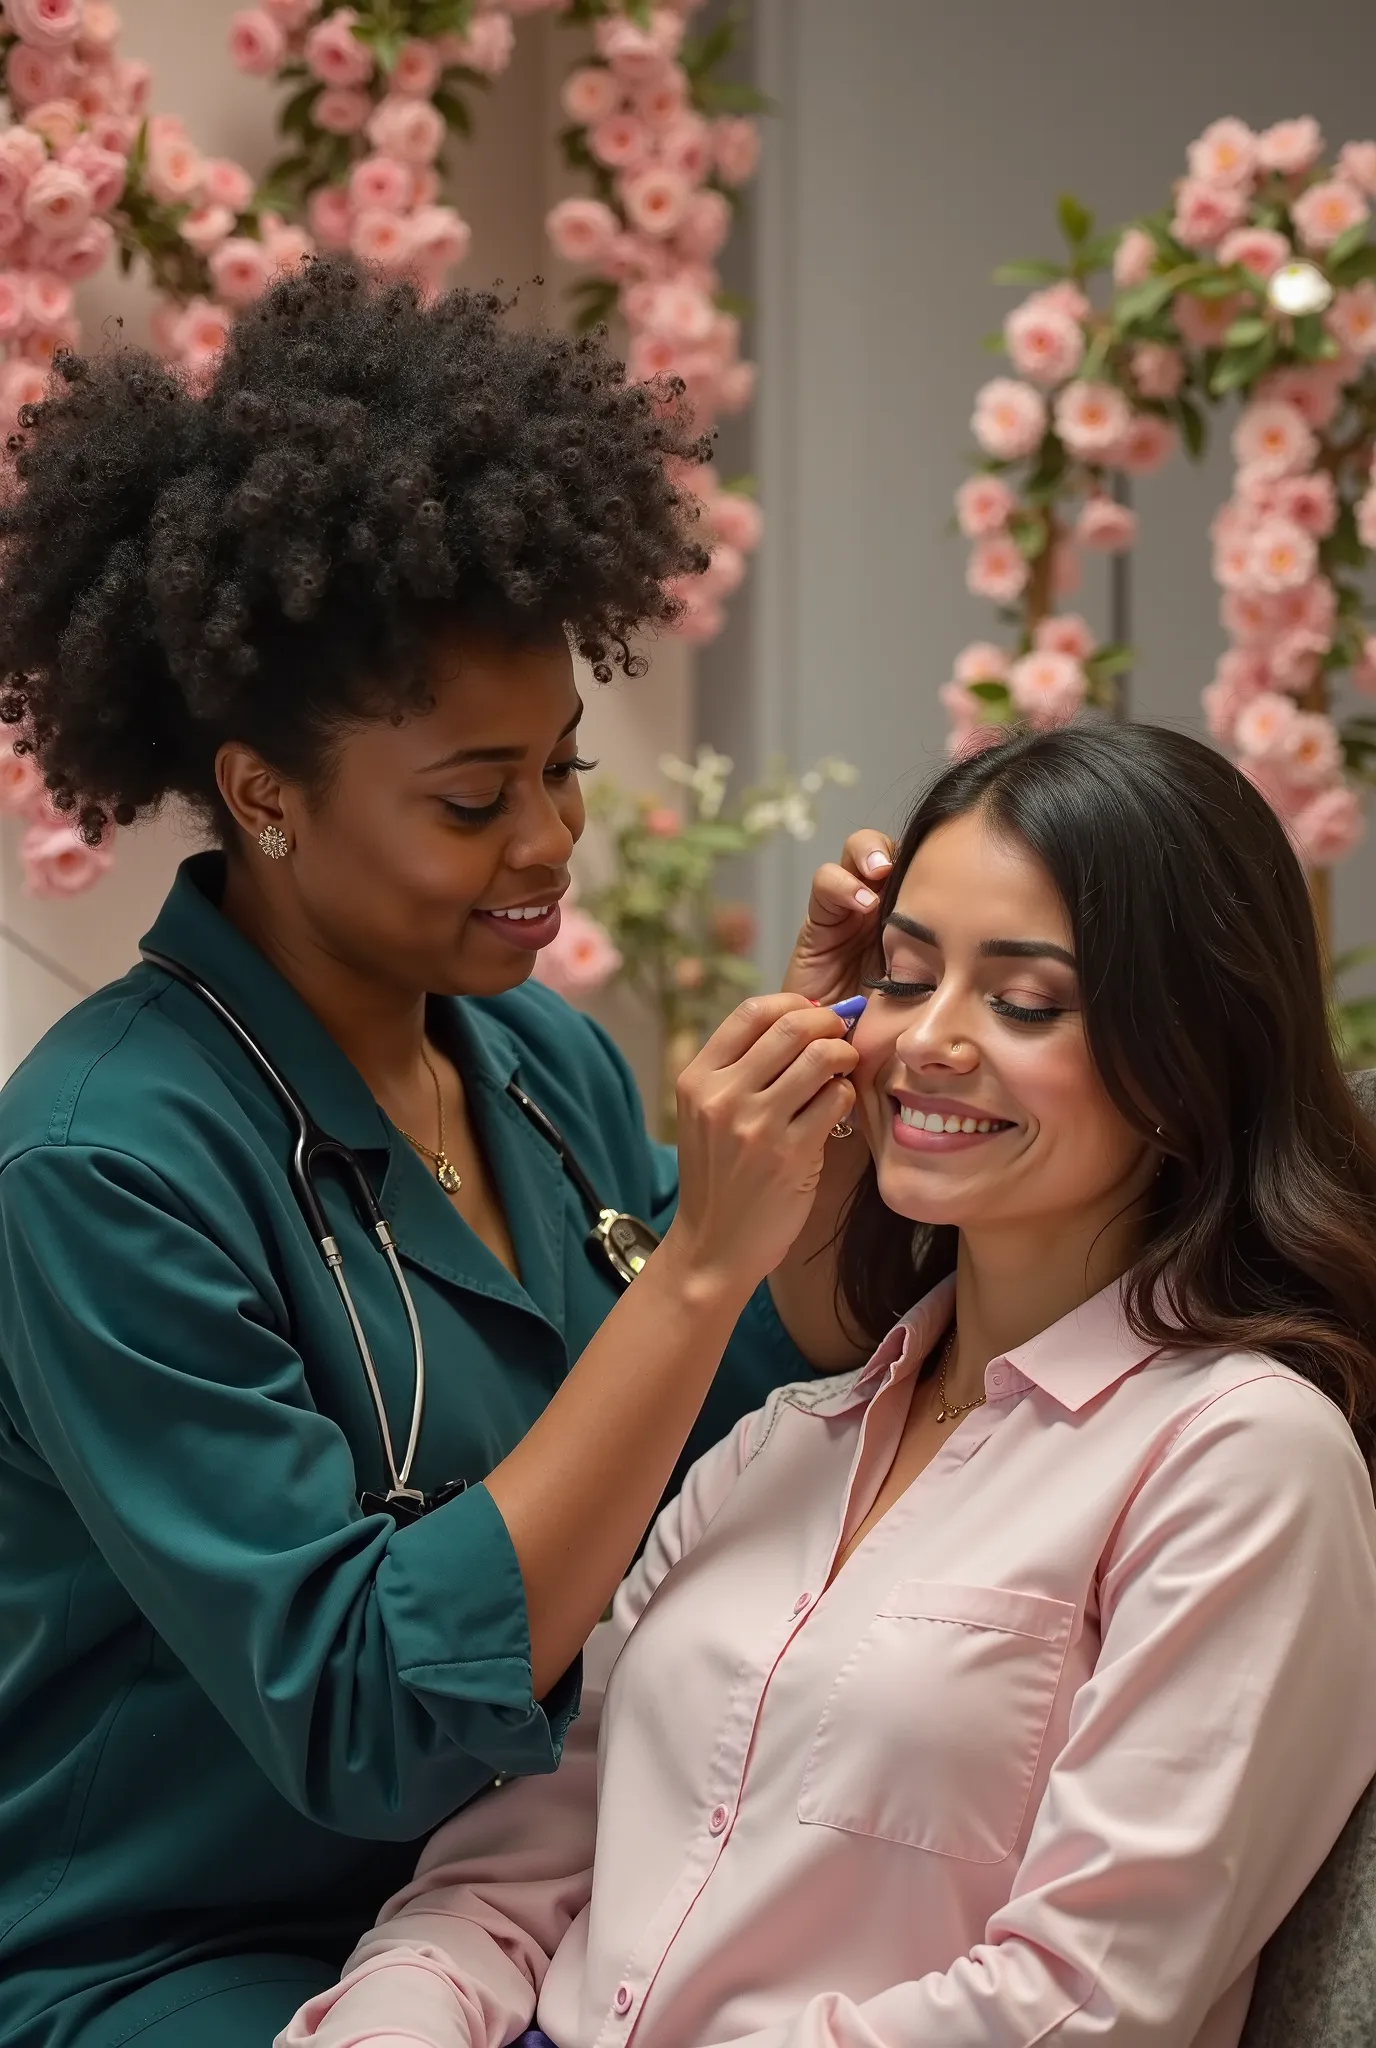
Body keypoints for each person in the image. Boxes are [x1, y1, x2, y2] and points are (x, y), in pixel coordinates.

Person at [0, 261, 889, 2048]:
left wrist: (803, 1177)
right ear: (264, 795)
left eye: (563, 769)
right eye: (475, 800)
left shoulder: (536, 1066)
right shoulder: (103, 1173)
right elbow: (369, 1715)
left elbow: (706, 1450)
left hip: (541, 1892)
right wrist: (700, 1264)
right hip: (190, 1956)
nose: (549, 841)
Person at [283, 722, 1376, 2048]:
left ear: (1192, 1054)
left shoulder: (1244, 1461)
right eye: (907, 980)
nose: (930, 1042)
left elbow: (1084, 2002)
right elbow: (497, 1891)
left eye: (1026, 1001)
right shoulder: (779, 1445)